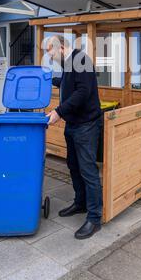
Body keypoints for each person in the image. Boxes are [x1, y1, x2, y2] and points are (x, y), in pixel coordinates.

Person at [45, 35, 103, 239]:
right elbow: (67, 83)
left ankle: (95, 218)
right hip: (73, 124)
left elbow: (83, 92)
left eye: (51, 54)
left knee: (88, 170)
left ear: (61, 48)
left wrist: (58, 111)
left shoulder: (82, 60)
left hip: (87, 125)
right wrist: (48, 79)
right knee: (74, 166)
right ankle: (80, 204)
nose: (51, 59)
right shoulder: (69, 65)